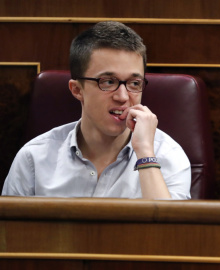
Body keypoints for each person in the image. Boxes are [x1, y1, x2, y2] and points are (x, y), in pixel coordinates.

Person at [2, 21, 191, 200]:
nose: (123, 97)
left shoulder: (168, 156)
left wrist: (145, 153)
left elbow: (168, 234)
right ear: (77, 90)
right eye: (108, 82)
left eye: (134, 83)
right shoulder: (33, 159)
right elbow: (9, 233)